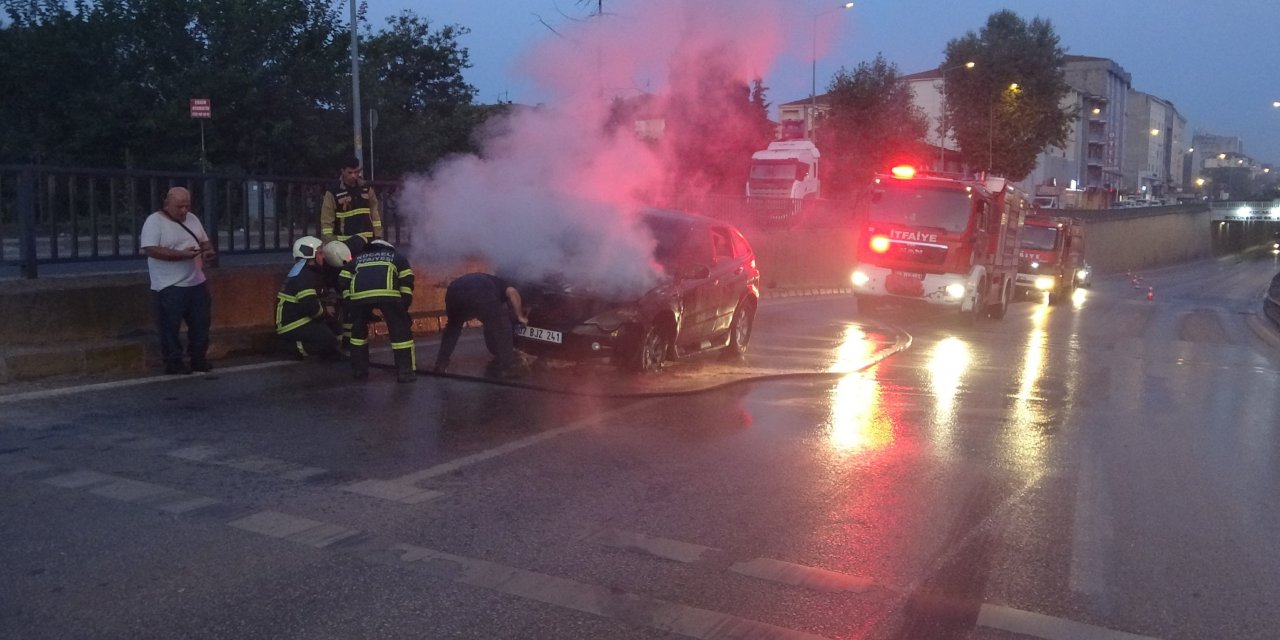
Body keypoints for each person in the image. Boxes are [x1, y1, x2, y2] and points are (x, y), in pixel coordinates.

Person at [140, 187, 217, 375]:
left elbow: (204, 241)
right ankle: (173, 361)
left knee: (201, 323)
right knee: (169, 326)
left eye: (187, 206)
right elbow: (150, 249)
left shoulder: (193, 219)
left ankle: (198, 358)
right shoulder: (154, 221)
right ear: (167, 204)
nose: (184, 211)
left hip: (196, 281)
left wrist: (207, 251)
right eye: (179, 207)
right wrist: (181, 255)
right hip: (169, 284)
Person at [339, 239, 416, 383]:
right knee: (400, 333)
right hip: (389, 296)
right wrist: (403, 308)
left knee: (358, 334)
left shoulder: (357, 259)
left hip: (359, 298)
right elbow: (407, 282)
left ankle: (359, 370)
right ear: (388, 248)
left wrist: (349, 300)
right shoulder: (397, 258)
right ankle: (405, 372)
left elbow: (343, 279)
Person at [432, 273, 529, 379]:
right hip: (479, 294)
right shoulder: (503, 285)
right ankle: (507, 367)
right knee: (502, 328)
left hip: (453, 293)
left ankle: (441, 364)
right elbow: (512, 292)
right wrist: (520, 316)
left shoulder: (486, 280)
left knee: (452, 329)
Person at [275, 236, 340, 360]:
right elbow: (309, 305)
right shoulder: (305, 275)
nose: (324, 257)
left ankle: (331, 352)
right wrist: (325, 312)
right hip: (293, 323)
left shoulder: (305, 271)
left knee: (334, 328)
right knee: (327, 340)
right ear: (310, 255)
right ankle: (290, 348)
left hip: (297, 318)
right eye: (320, 253)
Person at [319, 157, 382, 255]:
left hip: (367, 243)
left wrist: (378, 236)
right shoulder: (333, 192)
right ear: (342, 171)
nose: (354, 176)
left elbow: (375, 214)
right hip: (344, 245)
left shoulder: (366, 188)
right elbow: (326, 221)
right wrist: (329, 243)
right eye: (350, 172)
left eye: (356, 172)